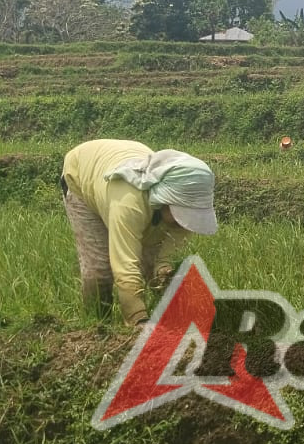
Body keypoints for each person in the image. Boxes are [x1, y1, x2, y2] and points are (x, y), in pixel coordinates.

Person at [60, 138, 219, 326]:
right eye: (181, 214)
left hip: (126, 154)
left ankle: (168, 320)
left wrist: (163, 268)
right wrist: (138, 319)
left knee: (152, 267)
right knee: (99, 270)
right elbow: (125, 263)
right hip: (82, 173)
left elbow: (167, 253)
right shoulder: (129, 203)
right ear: (165, 199)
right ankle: (96, 328)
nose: (183, 223)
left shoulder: (183, 208)